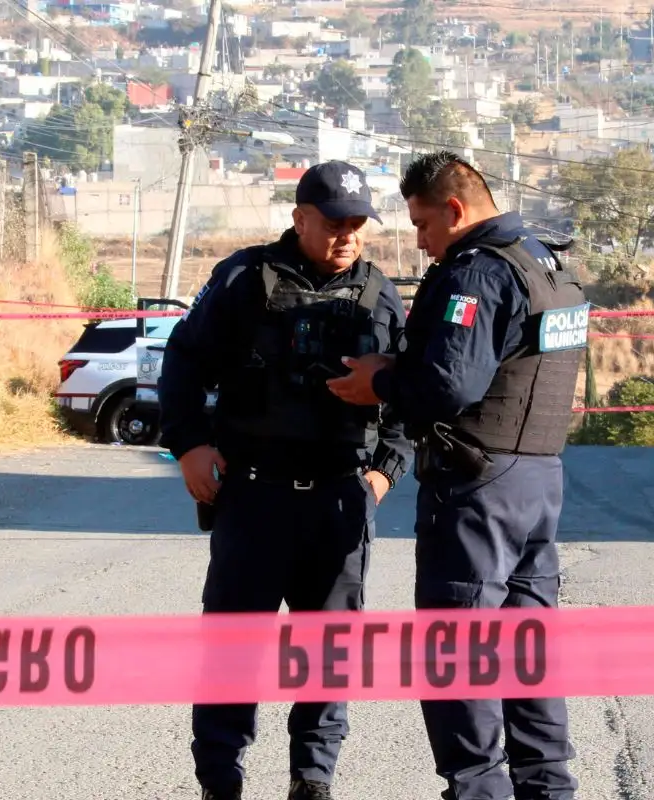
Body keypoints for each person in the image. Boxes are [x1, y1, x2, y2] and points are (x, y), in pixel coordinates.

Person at [325, 150, 584, 800]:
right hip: (537, 480)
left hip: (476, 489)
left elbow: (447, 384)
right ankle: (547, 789)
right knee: (528, 655)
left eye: (422, 224)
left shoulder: (478, 273)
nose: (420, 242)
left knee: (456, 652)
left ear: (456, 209)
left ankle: (476, 791)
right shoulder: (544, 261)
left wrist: (377, 381)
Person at [157, 160, 413, 800]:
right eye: (333, 223)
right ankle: (221, 781)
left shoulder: (381, 293)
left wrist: (385, 473)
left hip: (338, 502)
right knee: (233, 650)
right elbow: (184, 362)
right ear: (299, 218)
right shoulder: (244, 279)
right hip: (253, 496)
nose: (347, 235)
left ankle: (312, 781)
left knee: (329, 654)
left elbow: (409, 397)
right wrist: (188, 445)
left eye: (357, 224)